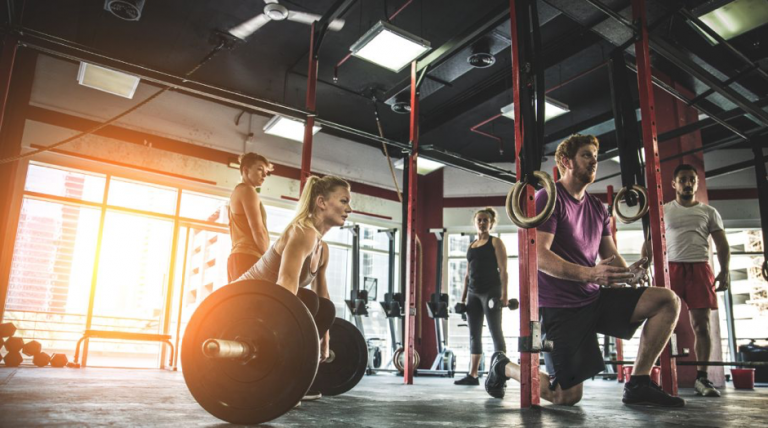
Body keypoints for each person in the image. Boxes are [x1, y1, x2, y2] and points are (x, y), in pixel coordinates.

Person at [484, 134, 685, 407]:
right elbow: (539, 257)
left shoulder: (597, 208)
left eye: (595, 157)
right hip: (561, 308)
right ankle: (504, 365)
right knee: (565, 397)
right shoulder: (548, 199)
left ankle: (638, 383)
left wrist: (630, 275)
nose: (594, 162)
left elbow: (610, 258)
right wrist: (591, 274)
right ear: (566, 161)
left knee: (666, 300)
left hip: (594, 299)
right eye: (586, 155)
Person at [238, 175, 351, 400]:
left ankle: (294, 376)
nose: (349, 209)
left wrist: (324, 340)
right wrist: (280, 343)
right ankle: (280, 374)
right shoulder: (303, 232)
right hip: (239, 302)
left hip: (265, 303)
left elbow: (324, 300)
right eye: (343, 201)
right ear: (321, 202)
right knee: (306, 301)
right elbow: (286, 285)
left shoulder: (322, 248)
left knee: (322, 306)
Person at [642, 163, 730, 398]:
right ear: (674, 184)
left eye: (692, 179)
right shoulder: (663, 210)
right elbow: (650, 243)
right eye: (683, 179)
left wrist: (726, 270)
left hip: (700, 268)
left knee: (702, 325)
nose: (688, 183)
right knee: (659, 322)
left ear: (696, 183)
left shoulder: (709, 212)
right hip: (670, 269)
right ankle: (649, 376)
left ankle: (702, 379)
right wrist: (643, 266)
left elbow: (721, 244)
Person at [454, 207, 508, 386]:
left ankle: (500, 375)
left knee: (495, 331)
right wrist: (462, 299)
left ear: (491, 223)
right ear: (475, 222)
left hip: (491, 291)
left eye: (486, 220)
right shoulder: (471, 245)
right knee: (473, 334)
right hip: (473, 293)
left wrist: (505, 296)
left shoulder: (496, 243)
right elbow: (467, 275)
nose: (482, 223)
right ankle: (473, 375)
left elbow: (503, 270)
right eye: (480, 220)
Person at [227, 152, 273, 282]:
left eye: (265, 171)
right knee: (250, 301)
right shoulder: (248, 190)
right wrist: (269, 261)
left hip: (238, 257)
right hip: (248, 256)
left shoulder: (237, 192)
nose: (264, 175)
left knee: (239, 301)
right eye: (259, 170)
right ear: (246, 170)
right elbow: (257, 230)